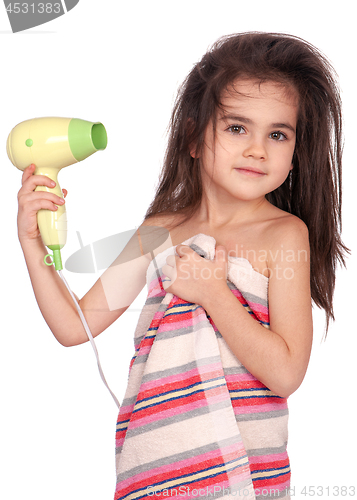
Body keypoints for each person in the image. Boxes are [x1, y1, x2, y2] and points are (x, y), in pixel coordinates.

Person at [17, 32, 348, 499]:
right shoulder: (159, 232)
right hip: (156, 476)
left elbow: (287, 372)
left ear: (294, 153)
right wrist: (33, 245)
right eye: (237, 128)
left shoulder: (284, 235)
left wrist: (214, 293)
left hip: (246, 480)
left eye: (277, 134)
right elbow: (76, 327)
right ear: (194, 138)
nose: (257, 148)